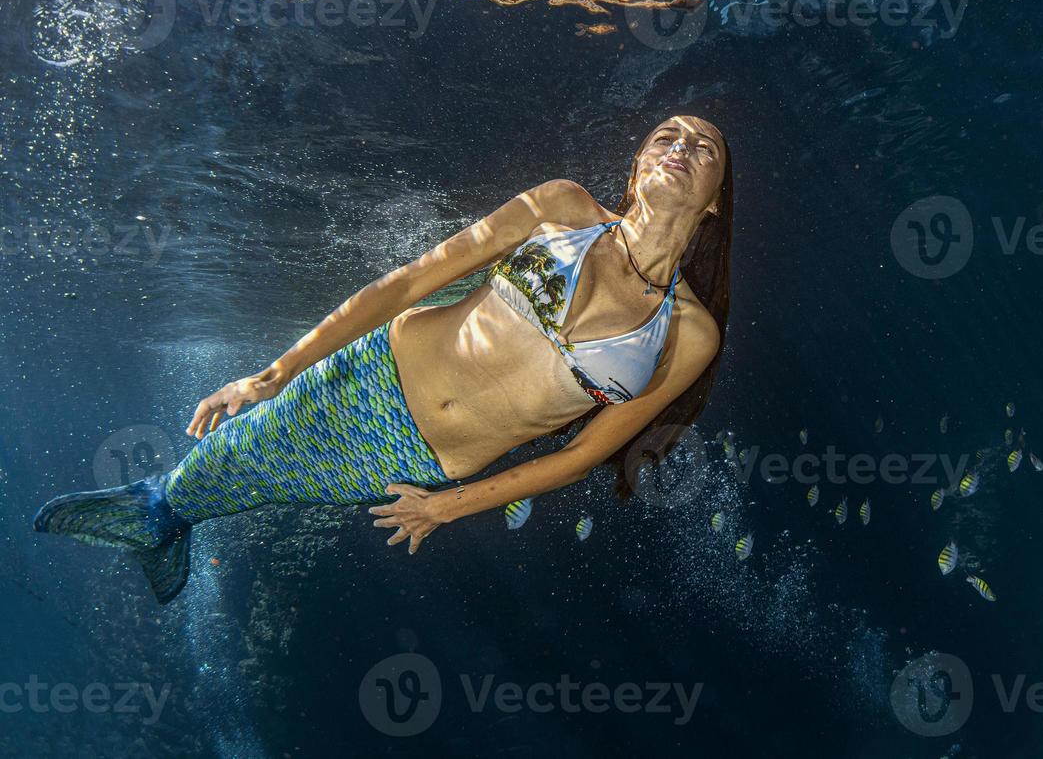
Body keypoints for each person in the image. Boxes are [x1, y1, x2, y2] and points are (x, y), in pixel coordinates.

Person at [35, 115, 732, 603]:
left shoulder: (691, 332)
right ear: (636, 167)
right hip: (365, 376)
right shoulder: (561, 206)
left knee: (260, 487)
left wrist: (448, 508)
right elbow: (406, 282)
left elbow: (581, 455)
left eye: (704, 147)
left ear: (713, 203)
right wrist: (274, 371)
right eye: (665, 135)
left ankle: (164, 525)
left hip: (417, 463)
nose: (682, 144)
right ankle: (155, 508)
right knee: (230, 458)